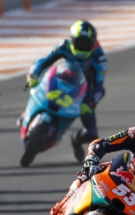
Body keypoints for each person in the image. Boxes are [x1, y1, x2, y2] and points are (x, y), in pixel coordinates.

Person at [26, 20, 107, 162]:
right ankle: (27, 116)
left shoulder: (99, 56)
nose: (83, 47)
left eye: (86, 44)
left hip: (85, 90)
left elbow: (99, 87)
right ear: (72, 40)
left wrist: (90, 102)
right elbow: (43, 61)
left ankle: (76, 139)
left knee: (92, 134)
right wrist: (33, 75)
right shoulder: (64, 45)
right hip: (62, 78)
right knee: (39, 90)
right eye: (79, 43)